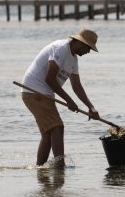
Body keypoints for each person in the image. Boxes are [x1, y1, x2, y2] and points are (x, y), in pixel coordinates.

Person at [21, 29, 101, 167]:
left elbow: (77, 86)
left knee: (48, 132)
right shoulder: (60, 49)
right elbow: (50, 79)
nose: (88, 52)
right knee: (57, 127)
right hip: (34, 91)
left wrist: (90, 107)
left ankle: (40, 168)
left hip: (44, 93)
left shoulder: (73, 59)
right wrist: (69, 101)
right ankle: (60, 166)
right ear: (78, 42)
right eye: (87, 48)